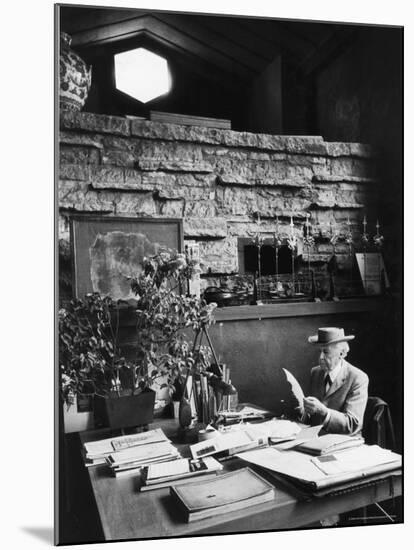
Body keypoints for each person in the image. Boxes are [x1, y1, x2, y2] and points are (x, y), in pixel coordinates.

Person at [301, 327, 369, 435]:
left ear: (341, 353)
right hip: (318, 439)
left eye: (326, 352)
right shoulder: (316, 372)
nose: (321, 357)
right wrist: (305, 412)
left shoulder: (358, 378)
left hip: (345, 442)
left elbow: (352, 424)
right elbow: (311, 418)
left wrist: (324, 411)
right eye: (320, 352)